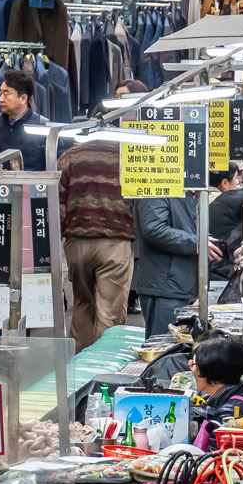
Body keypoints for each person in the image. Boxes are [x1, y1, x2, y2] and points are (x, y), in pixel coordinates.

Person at [58, 129, 136, 352]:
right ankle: (103, 368)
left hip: (77, 242)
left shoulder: (69, 157)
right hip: (114, 242)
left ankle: (78, 367)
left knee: (82, 305)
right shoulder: (126, 156)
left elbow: (58, 205)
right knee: (109, 311)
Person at [135, 195, 219, 338]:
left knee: (173, 343)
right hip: (164, 284)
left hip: (178, 281)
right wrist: (196, 243)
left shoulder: (186, 190)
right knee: (163, 344)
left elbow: (187, 225)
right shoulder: (157, 187)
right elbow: (154, 229)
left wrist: (206, 240)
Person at [0, 67, 46, 170]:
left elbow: (53, 165)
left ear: (23, 98)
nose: (1, 99)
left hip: (29, 185)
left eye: (6, 94)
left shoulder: (42, 126)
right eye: (0, 93)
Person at [191, 334, 243, 428]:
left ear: (211, 371)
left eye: (194, 365)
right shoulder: (237, 394)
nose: (191, 369)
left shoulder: (228, 416)